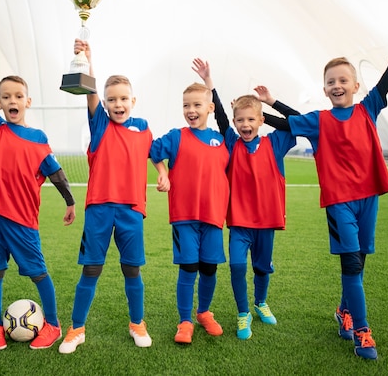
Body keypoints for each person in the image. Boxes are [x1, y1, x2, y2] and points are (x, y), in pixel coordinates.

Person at [263, 6, 388, 359]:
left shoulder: (368, 108)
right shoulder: (320, 120)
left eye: (342, 80)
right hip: (340, 202)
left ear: (355, 85)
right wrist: (261, 110)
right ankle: (362, 334)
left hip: (369, 198)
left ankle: (344, 311)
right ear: (325, 89)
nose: (337, 85)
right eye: (331, 81)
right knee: (350, 263)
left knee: (361, 260)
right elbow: (289, 123)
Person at [58, 40, 169, 354]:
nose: (117, 104)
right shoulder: (100, 125)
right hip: (99, 210)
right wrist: (89, 61)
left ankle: (137, 323)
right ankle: (76, 329)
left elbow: (154, 153)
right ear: (104, 104)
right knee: (91, 270)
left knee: (131, 269)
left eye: (123, 99)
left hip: (132, 211)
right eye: (111, 100)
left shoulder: (144, 128)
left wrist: (163, 171)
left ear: (133, 100)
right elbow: (90, 94)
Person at [0, 39, 76, 351]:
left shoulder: (37, 138)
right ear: (0, 105)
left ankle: (54, 325)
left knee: (38, 273)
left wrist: (70, 201)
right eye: (6, 97)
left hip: (22, 221)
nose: (11, 100)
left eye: (17, 96)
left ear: (27, 101)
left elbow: (55, 172)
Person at [192, 58, 298, 340]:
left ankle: (261, 302)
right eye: (241, 120)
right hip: (239, 223)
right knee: (238, 266)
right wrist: (209, 83)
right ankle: (243, 313)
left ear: (260, 122)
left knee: (262, 268)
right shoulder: (232, 143)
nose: (245, 124)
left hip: (266, 222)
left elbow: (296, 123)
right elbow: (221, 119)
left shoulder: (275, 143)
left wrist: (269, 103)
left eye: (251, 119)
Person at [149, 77, 230, 345]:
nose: (191, 110)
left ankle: (204, 312)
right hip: (184, 215)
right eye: (186, 105)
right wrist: (163, 174)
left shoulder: (223, 141)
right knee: (188, 267)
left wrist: (210, 80)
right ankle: (185, 321)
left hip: (213, 216)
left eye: (197, 104)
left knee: (209, 268)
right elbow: (153, 151)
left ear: (210, 108)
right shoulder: (176, 136)